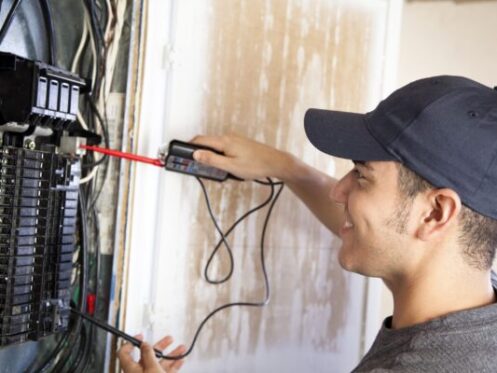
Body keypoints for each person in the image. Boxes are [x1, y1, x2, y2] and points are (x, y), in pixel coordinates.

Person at [118, 75, 497, 372]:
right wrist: (288, 169)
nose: (339, 192)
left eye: (362, 176)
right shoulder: (476, 300)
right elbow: (388, 230)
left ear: (435, 214)